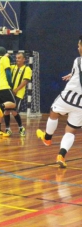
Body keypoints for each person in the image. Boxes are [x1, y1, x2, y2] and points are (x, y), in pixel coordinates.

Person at [36, 36, 82, 168]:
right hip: (81, 105)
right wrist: (73, 75)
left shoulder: (78, 60)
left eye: (79, 45)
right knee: (70, 130)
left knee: (53, 112)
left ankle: (48, 138)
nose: (78, 47)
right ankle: (61, 155)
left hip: (69, 96)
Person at [3, 52, 32, 136]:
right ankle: (8, 129)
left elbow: (25, 81)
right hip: (9, 93)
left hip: (18, 93)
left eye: (19, 58)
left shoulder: (27, 69)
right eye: (16, 58)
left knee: (13, 111)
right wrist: (6, 55)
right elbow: (4, 63)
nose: (17, 59)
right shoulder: (12, 67)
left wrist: (16, 89)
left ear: (24, 59)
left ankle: (21, 128)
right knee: (6, 111)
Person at [0, 46, 16, 136]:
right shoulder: (5, 59)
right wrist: (10, 84)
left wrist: (8, 57)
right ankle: (1, 106)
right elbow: (8, 72)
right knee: (13, 103)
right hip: (3, 86)